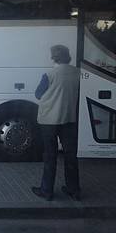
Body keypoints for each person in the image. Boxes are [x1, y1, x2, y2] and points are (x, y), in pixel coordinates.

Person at [32, 45, 81, 201]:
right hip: (69, 118)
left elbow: (38, 94)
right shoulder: (77, 72)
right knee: (70, 156)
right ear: (68, 56)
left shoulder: (49, 74)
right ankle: (74, 190)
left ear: (54, 57)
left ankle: (47, 191)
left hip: (49, 120)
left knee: (50, 156)